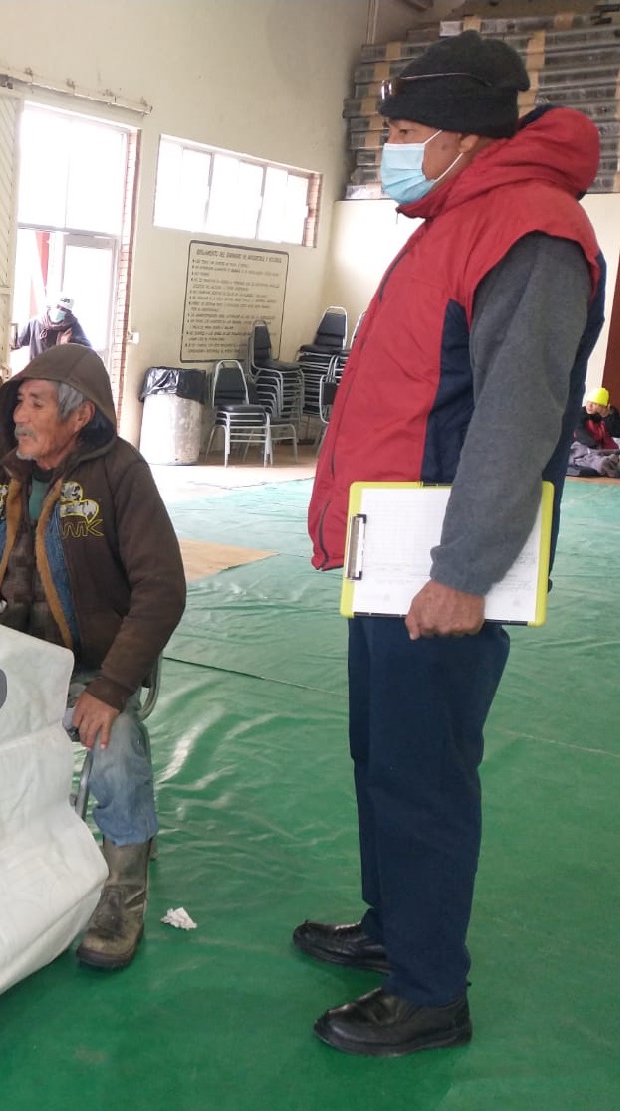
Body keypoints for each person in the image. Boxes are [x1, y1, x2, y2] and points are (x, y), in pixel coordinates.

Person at [302, 32, 605, 1056]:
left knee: (425, 771)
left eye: (401, 130)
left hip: (439, 564)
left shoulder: (530, 229)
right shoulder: (451, 218)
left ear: (462, 133)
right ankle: (395, 931)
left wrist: (465, 573)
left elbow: (517, 417)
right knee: (380, 754)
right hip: (389, 552)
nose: (390, 147)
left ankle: (432, 990)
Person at [0, 344, 185, 970]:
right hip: (0, 664)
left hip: (87, 672)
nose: (18, 415)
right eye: (18, 402)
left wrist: (113, 686)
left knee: (114, 740)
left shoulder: (122, 474)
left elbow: (163, 588)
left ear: (78, 416)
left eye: (35, 404)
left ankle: (122, 887)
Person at [11, 293, 91, 360]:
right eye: (57, 306)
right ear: (52, 306)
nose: (59, 311)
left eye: (64, 309)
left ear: (68, 312)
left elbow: (88, 350)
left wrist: (70, 342)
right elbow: (16, 342)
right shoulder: (35, 323)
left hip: (56, 374)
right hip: (36, 370)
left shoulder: (72, 326)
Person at [567, 387, 620, 477]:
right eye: (588, 402)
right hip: (585, 448)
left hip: (606, 449)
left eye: (595, 404)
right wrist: (596, 449)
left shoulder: (610, 413)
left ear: (603, 406)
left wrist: (606, 416)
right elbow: (580, 434)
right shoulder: (580, 414)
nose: (589, 405)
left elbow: (617, 433)